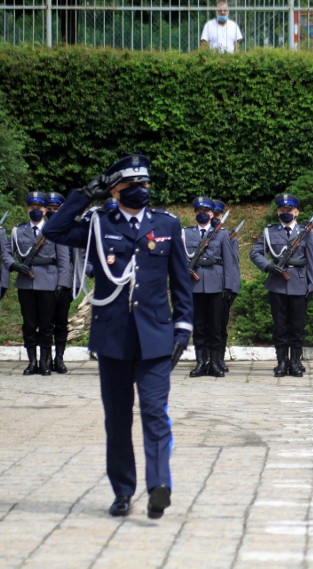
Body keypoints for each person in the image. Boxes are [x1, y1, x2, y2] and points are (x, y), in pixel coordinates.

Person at [42, 154, 193, 520]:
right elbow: (53, 231)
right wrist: (82, 196)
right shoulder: (97, 223)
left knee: (156, 414)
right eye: (133, 186)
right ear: (114, 190)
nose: (142, 191)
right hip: (113, 338)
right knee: (118, 419)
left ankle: (159, 486)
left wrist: (184, 327)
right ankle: (123, 492)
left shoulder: (167, 224)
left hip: (156, 336)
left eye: (145, 184)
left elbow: (181, 280)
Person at [250, 193, 313, 378]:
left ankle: (296, 362)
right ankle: (281, 362)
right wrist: (268, 266)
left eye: (289, 210)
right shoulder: (269, 231)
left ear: (296, 212)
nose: (285, 212)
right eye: (282, 210)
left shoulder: (306, 232)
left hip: (299, 282)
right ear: (277, 211)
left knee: (297, 326)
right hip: (277, 284)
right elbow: (255, 252)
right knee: (280, 326)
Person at [4, 191, 70, 376]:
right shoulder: (18, 231)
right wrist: (14, 265)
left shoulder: (54, 230)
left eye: (39, 208)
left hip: (49, 281)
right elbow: (8, 252)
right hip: (26, 283)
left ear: (44, 209)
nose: (35, 211)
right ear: (27, 210)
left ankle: (45, 362)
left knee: (47, 324)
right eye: (32, 208)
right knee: (29, 324)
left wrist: (62, 284)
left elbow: (64, 260)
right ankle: (32, 361)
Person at [184, 195, 236, 378]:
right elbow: (181, 257)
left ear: (212, 213)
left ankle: (214, 362)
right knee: (199, 327)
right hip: (195, 285)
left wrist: (229, 286)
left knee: (215, 326)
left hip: (216, 284)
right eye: (198, 211)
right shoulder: (186, 233)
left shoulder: (221, 234)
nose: (202, 214)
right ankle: (201, 362)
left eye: (205, 212)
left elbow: (229, 261)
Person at [45, 191, 72, 374]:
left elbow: (74, 259)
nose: (53, 211)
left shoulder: (70, 228)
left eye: (57, 209)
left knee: (61, 322)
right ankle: (45, 358)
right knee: (46, 322)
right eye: (50, 208)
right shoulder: (42, 229)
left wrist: (66, 283)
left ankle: (59, 358)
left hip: (66, 280)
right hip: (46, 282)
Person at [212, 198, 240, 373]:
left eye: (217, 214)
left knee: (220, 325)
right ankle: (207, 358)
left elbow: (234, 263)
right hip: (204, 286)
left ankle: (219, 359)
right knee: (204, 325)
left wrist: (232, 287)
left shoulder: (228, 235)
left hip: (223, 285)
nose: (214, 217)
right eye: (212, 214)